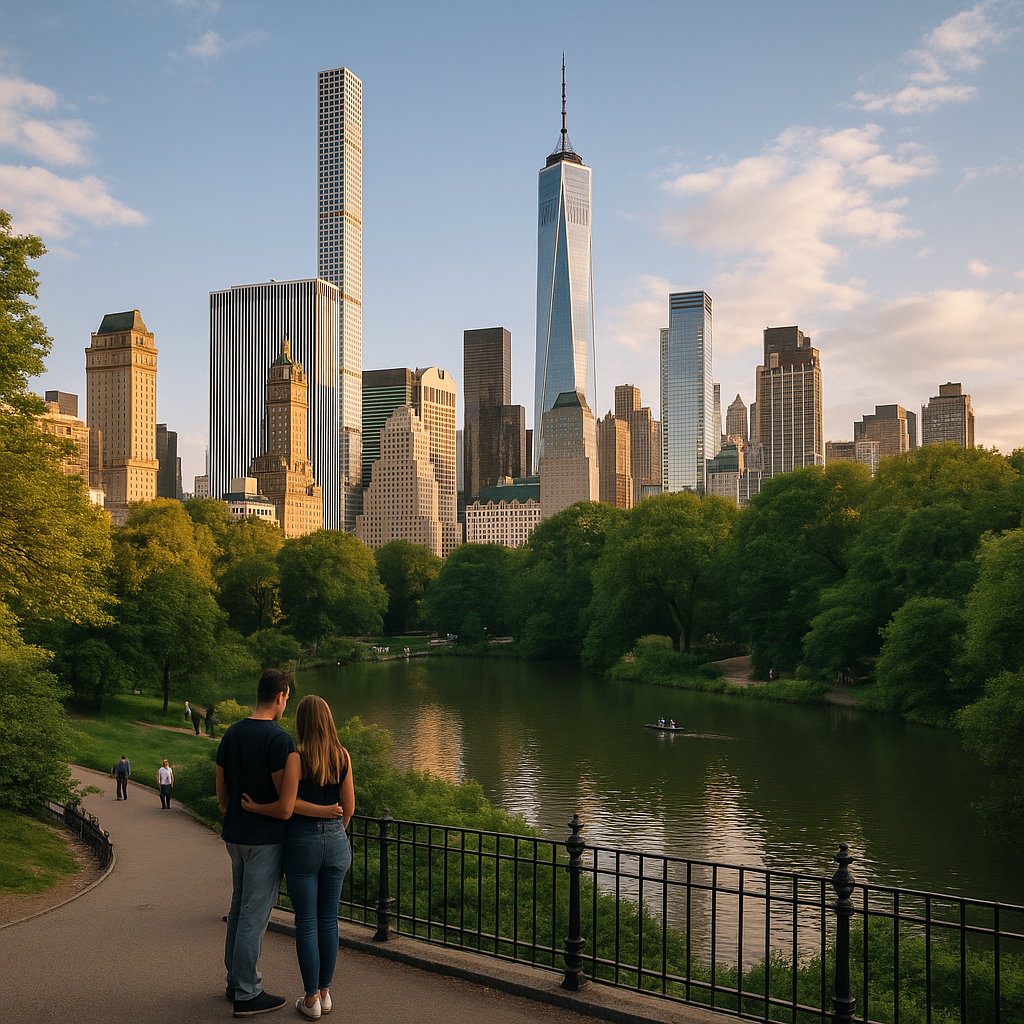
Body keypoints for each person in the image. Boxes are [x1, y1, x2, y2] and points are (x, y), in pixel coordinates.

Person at [243, 695, 354, 1021]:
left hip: (302, 844)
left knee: (306, 923)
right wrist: (333, 828)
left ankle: (310, 1000)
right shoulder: (342, 756)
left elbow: (286, 807)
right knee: (329, 920)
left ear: (301, 722)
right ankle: (325, 993)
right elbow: (349, 807)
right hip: (336, 841)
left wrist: (255, 807)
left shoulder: (296, 758)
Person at [216, 669, 300, 1017]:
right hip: (264, 839)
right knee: (254, 913)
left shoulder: (232, 732)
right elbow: (285, 806)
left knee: (238, 908)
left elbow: (221, 787)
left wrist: (232, 812)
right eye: (287, 698)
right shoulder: (279, 741)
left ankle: (236, 981)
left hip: (235, 835)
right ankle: (248, 992)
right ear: (281, 696)